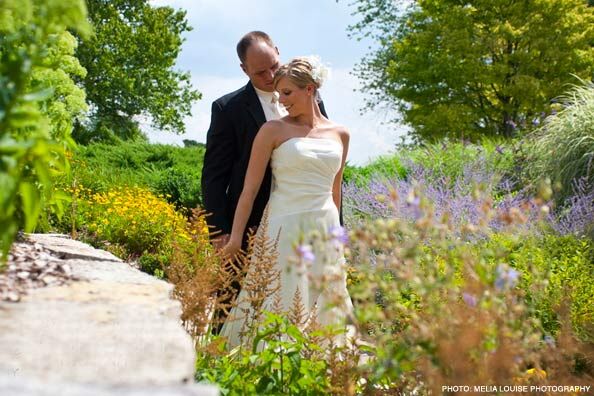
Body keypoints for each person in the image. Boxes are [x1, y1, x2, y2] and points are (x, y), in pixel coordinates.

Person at [220, 57, 353, 347]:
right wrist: (236, 238)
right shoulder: (272, 131)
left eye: (288, 93)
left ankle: (322, 366)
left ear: (310, 89)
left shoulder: (341, 134)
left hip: (324, 226)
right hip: (284, 225)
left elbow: (336, 189)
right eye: (279, 95)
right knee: (281, 295)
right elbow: (249, 189)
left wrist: (339, 236)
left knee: (324, 294)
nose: (282, 101)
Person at [201, 32, 329, 330]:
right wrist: (219, 231)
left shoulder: (312, 96)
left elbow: (324, 166)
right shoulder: (227, 109)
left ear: (278, 51)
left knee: (302, 301)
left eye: (274, 65)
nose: (271, 76)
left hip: (302, 220)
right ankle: (217, 368)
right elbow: (214, 176)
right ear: (244, 70)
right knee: (233, 307)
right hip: (246, 226)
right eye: (260, 72)